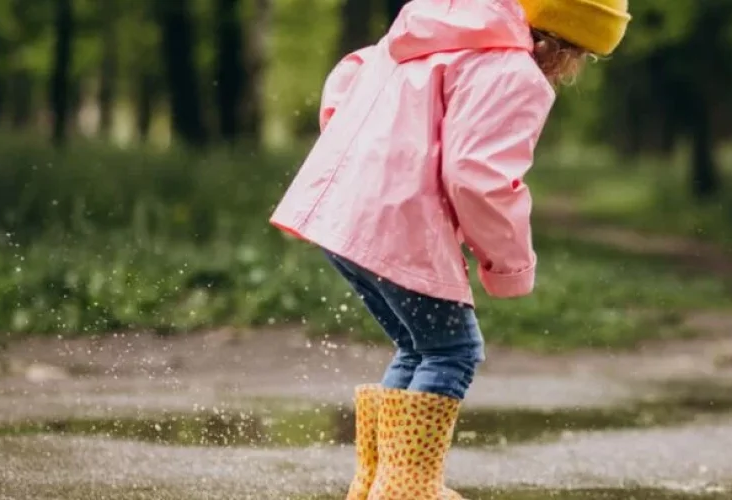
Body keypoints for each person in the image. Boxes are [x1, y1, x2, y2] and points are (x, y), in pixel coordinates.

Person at [269, 0, 630, 498]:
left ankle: (378, 484)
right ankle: (409, 489)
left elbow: (343, 86)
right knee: (453, 351)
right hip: (397, 226)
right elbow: (478, 176)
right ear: (569, 44)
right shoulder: (510, 70)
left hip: (343, 214)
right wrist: (510, 264)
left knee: (420, 347)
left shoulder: (426, 33)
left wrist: (367, 168)